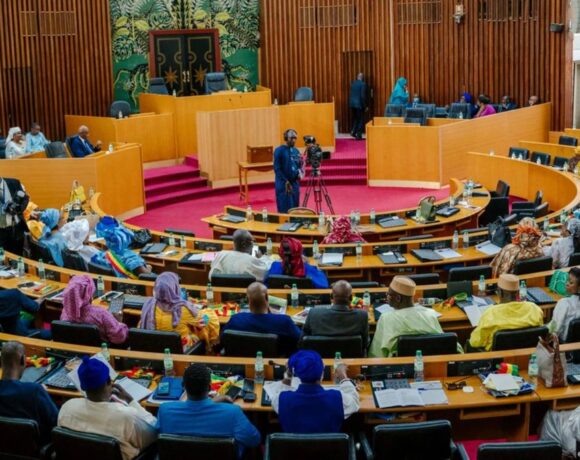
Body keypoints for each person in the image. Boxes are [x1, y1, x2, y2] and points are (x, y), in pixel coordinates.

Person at [58, 357, 157, 460]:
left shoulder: (67, 407)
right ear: (108, 382)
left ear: (82, 386)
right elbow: (154, 432)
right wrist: (131, 401)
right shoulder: (125, 416)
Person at [157, 363, 260, 457]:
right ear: (210, 388)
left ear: (183, 386)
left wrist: (212, 402)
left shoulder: (165, 411)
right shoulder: (233, 412)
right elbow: (254, 440)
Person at [267, 350, 360, 433]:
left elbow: (280, 393)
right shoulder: (338, 398)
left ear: (297, 375)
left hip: (294, 447)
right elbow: (354, 400)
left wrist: (288, 375)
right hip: (329, 447)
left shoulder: (281, 400)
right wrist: (343, 376)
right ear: (322, 374)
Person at [369, 276, 457, 357]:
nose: (387, 297)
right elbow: (444, 340)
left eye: (388, 294)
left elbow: (377, 354)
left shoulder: (386, 318)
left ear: (398, 298)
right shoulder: (430, 314)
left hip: (399, 364)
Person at [140, 272, 219, 351]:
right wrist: (207, 310)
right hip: (181, 350)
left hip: (156, 348)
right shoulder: (182, 309)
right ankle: (212, 349)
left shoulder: (148, 304)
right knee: (204, 323)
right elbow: (205, 319)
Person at [0, 342, 58, 445]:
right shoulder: (34, 391)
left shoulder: (34, 390)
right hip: (38, 448)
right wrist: (41, 392)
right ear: (23, 360)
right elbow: (56, 423)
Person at [221, 282, 302, 356]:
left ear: (248, 300)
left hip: (241, 362)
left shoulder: (235, 319)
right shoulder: (284, 321)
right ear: (267, 298)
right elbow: (301, 339)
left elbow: (222, 339)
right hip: (275, 363)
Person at [468, 274, 544, 351]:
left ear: (500, 292)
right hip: (528, 355)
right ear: (518, 292)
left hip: (496, 357)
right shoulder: (534, 309)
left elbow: (475, 342)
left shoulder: (490, 313)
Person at [302, 280, 369, 352]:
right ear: (351, 298)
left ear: (331, 297)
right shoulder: (362, 315)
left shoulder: (313, 313)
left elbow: (303, 342)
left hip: (320, 357)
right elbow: (365, 344)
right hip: (353, 357)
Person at [60, 275, 128, 345]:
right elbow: (119, 338)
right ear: (88, 294)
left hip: (73, 349)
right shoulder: (101, 314)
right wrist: (118, 321)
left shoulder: (65, 311)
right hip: (100, 350)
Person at [265, 237, 329, 289]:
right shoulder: (308, 268)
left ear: (281, 253)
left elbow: (266, 284)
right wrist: (317, 269)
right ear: (300, 252)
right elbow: (324, 286)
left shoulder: (275, 266)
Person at [274, 129, 303, 213]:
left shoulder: (296, 151)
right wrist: (285, 181)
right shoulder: (279, 150)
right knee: (284, 209)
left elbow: (299, 166)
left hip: (294, 184)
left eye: (295, 138)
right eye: (291, 138)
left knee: (295, 208)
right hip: (284, 184)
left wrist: (300, 173)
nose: (293, 140)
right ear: (286, 138)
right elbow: (277, 168)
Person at [549, 267, 580, 342]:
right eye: (567, 280)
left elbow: (555, 329)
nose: (567, 284)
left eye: (571, 283)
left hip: (563, 342)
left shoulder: (564, 303)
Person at [0, 176, 29, 255]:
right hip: (0, 232)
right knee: (2, 258)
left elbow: (25, 198)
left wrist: (18, 209)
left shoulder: (14, 183)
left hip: (16, 229)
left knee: (17, 257)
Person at [349, 72, 367, 140]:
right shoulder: (363, 84)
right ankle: (358, 135)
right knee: (360, 119)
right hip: (359, 105)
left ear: (357, 77)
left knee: (356, 119)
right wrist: (365, 106)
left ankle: (353, 132)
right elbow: (362, 96)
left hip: (352, 104)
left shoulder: (353, 84)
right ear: (362, 78)